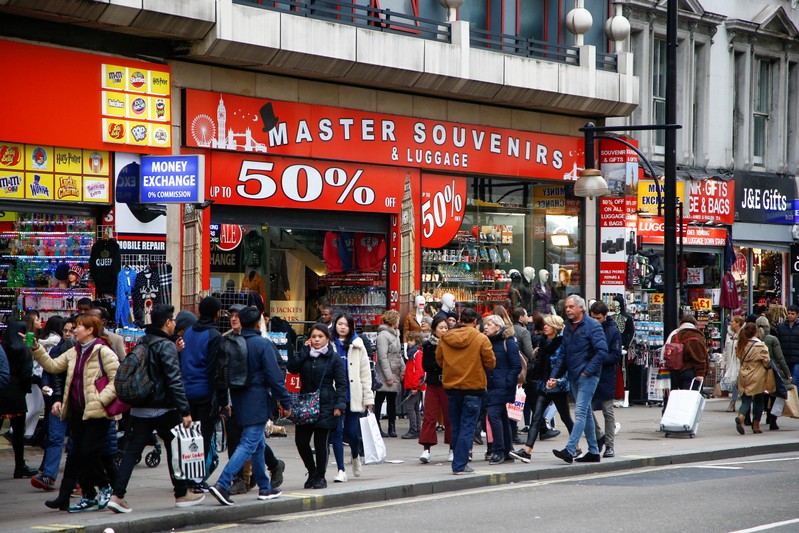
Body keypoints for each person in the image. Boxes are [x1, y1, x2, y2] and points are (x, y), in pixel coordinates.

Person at [108, 305, 204, 514]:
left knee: (131, 451)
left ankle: (117, 495)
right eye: (173, 320)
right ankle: (181, 493)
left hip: (139, 408)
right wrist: (185, 410)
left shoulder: (145, 341)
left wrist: (174, 349)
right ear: (167, 322)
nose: (175, 324)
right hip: (162, 409)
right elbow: (174, 381)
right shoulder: (166, 346)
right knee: (175, 449)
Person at [30, 315, 118, 512]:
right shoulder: (73, 351)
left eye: (78, 327)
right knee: (74, 456)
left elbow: (116, 380)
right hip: (77, 412)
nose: (74, 331)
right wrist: (36, 348)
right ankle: (74, 496)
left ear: (90, 331)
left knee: (88, 453)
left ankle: (103, 486)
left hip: (97, 413)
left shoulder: (103, 351)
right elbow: (53, 366)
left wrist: (100, 400)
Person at [209, 306, 293, 505]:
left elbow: (220, 375)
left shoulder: (231, 343)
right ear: (258, 323)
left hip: (238, 397)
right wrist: (286, 401)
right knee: (248, 443)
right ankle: (223, 483)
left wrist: (223, 402)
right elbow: (274, 376)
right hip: (257, 398)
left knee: (257, 445)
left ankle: (264, 487)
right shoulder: (262, 344)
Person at [548, 295, 608, 464]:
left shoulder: (593, 326)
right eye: (566, 306)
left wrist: (586, 372)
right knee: (587, 413)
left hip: (587, 377)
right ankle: (594, 451)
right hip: (574, 376)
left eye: (571, 306)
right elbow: (563, 354)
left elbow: (602, 352)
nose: (567, 309)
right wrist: (554, 376)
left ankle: (570, 449)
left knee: (580, 412)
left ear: (581, 308)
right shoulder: (568, 327)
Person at [436, 307, 496, 475]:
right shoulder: (481, 339)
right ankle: (460, 464)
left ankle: (458, 461)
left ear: (460, 320)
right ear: (475, 322)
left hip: (452, 387)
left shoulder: (445, 338)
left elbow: (439, 360)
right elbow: (491, 363)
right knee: (467, 426)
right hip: (473, 387)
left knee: (456, 426)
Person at [288, 324, 347, 489]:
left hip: (326, 404)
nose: (317, 340)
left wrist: (340, 404)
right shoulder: (305, 354)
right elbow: (291, 368)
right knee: (301, 441)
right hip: (305, 404)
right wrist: (304, 352)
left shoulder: (333, 357)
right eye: (314, 336)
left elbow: (341, 384)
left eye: (320, 336)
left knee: (321, 443)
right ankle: (312, 472)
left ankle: (320, 476)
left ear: (327, 338)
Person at [179, 297, 228, 491]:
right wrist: (223, 401)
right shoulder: (214, 335)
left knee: (189, 435)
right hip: (205, 393)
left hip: (186, 392)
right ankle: (197, 478)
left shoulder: (189, 331)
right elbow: (217, 370)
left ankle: (187, 475)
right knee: (204, 437)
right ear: (217, 313)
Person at [511, 314, 574, 463]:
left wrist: (558, 381)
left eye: (549, 325)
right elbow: (539, 366)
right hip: (543, 386)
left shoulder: (562, 344)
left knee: (566, 418)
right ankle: (527, 451)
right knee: (536, 418)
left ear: (556, 328)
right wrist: (534, 356)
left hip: (558, 388)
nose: (545, 327)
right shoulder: (543, 342)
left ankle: (575, 446)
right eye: (545, 324)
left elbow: (566, 367)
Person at [32, 316, 76, 491]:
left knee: (76, 442)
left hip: (77, 402)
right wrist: (45, 385)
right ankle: (49, 475)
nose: (67, 334)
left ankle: (78, 479)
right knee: (55, 438)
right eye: (65, 330)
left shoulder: (88, 351)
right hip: (59, 401)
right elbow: (49, 370)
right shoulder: (58, 350)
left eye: (71, 330)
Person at [329, 314, 374, 482]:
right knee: (337, 432)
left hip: (353, 394)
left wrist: (368, 398)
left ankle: (355, 456)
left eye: (345, 325)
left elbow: (365, 373)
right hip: (335, 395)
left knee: (352, 433)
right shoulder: (329, 344)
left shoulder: (358, 344)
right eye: (339, 324)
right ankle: (341, 470)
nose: (342, 327)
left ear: (350, 327)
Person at [482, 314, 521, 465]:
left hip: (503, 386)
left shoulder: (508, 342)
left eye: (489, 324)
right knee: (502, 417)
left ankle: (498, 451)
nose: (485, 327)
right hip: (490, 386)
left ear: (498, 327)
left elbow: (516, 365)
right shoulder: (486, 342)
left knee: (493, 414)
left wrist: (507, 382)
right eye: (485, 324)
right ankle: (507, 450)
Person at [0, 321, 36, 479]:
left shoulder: (4, 347)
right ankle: (19, 465)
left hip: (2, 390)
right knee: (18, 431)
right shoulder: (23, 349)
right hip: (16, 393)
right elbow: (27, 373)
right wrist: (26, 389)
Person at [589, 301, 621, 458]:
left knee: (608, 411)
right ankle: (599, 435)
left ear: (605, 316)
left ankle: (609, 446)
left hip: (606, 375)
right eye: (592, 317)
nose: (595, 320)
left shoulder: (612, 330)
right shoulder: (587, 327)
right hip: (590, 374)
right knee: (586, 409)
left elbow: (615, 355)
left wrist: (598, 359)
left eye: (598, 318)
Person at [418, 316, 452, 464]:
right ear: (434, 330)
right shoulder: (428, 345)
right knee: (429, 416)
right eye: (441, 328)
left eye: (446, 328)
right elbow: (426, 365)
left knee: (450, 417)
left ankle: (452, 448)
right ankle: (426, 449)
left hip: (448, 384)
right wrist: (439, 365)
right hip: (432, 383)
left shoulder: (452, 343)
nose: (444, 330)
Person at [734, 322, 771, 435]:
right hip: (757, 374)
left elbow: (739, 358)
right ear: (756, 332)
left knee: (746, 400)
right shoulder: (761, 346)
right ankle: (756, 426)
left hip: (743, 374)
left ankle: (741, 416)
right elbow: (766, 361)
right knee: (758, 400)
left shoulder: (740, 344)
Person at [374, 310, 405, 438]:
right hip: (385, 371)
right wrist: (388, 376)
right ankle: (377, 425)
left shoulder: (396, 334)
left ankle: (392, 426)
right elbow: (382, 357)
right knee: (380, 399)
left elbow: (398, 354)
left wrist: (403, 368)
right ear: (393, 321)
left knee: (392, 400)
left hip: (395, 370)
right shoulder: (383, 335)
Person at [756, 316, 790, 431]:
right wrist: (787, 373)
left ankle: (756, 419)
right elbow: (780, 358)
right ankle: (772, 419)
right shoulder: (772, 339)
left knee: (761, 394)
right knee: (776, 394)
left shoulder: (754, 339)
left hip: (757, 370)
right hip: (772, 370)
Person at [667, 315, 708, 391]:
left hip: (676, 372)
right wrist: (700, 373)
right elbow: (699, 357)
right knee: (691, 399)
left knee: (680, 398)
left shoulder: (675, 335)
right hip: (691, 372)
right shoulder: (696, 336)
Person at [401, 332, 425, 440]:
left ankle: (413, 429)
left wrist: (415, 386)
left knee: (410, 406)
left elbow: (419, 371)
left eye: (410, 340)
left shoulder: (417, 354)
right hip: (413, 385)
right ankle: (417, 429)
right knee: (414, 407)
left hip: (415, 385)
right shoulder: (414, 354)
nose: (409, 343)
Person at [721, 315, 744, 412]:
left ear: (738, 323)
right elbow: (726, 349)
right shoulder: (729, 334)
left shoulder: (744, 334)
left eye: (733, 321)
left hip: (741, 362)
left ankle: (744, 403)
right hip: (731, 362)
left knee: (742, 383)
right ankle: (733, 402)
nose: (731, 323)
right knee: (734, 383)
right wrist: (723, 364)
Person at [774, 305, 799, 385]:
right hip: (784, 359)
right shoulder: (780, 327)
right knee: (784, 382)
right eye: (789, 313)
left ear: (797, 315)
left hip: (797, 360)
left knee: (795, 381)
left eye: (792, 313)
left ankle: (795, 397)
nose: (790, 315)